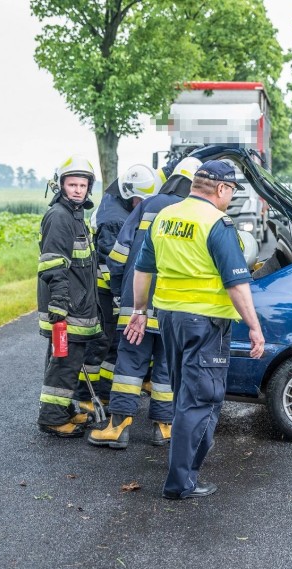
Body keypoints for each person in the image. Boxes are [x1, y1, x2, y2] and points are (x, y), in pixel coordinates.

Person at [124, 159, 265, 499]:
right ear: (220, 189)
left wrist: (139, 311)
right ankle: (181, 483)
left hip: (170, 320)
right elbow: (236, 283)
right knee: (200, 402)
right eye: (230, 191)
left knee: (184, 398)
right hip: (207, 326)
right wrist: (255, 328)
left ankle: (181, 474)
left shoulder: (165, 217)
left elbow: (143, 269)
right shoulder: (217, 223)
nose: (230, 198)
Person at [88, 157, 202, 449]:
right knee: (165, 366)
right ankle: (164, 427)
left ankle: (118, 426)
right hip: (173, 307)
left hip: (136, 303)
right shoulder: (197, 212)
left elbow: (118, 254)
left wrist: (118, 289)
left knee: (129, 362)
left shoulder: (147, 206)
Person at [78, 164, 163, 418]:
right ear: (129, 194)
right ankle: (86, 396)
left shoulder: (118, 205)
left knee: (114, 344)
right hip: (104, 290)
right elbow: (112, 261)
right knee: (100, 342)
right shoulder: (114, 219)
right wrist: (118, 294)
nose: (143, 205)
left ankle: (104, 391)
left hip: (110, 290)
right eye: (140, 200)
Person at [36, 155, 102, 437]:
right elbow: (53, 266)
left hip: (77, 306)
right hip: (67, 308)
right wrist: (60, 306)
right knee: (64, 365)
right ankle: (52, 417)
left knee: (69, 363)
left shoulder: (76, 215)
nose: (77, 189)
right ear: (60, 185)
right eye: (72, 184)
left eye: (82, 185)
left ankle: (64, 410)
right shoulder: (60, 217)